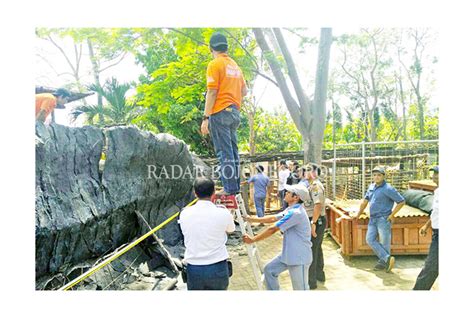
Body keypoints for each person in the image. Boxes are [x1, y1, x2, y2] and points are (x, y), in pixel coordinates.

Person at [200, 32, 247, 196]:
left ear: (211, 48)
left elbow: (212, 92)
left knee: (224, 152)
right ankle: (234, 187)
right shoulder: (235, 66)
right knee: (233, 152)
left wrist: (205, 118)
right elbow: (245, 91)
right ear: (226, 47)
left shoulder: (215, 64)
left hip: (220, 112)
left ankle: (230, 188)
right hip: (234, 112)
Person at [243, 183, 312, 290]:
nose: (286, 193)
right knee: (269, 270)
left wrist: (253, 240)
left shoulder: (295, 213)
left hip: (299, 258)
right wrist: (251, 219)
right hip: (288, 254)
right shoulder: (291, 209)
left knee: (300, 289)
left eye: (289, 192)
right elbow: (273, 218)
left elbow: (273, 228)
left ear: (296, 197)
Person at [178, 177, 235, 290]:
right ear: (214, 192)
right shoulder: (223, 213)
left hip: (194, 269)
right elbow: (231, 230)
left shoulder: (184, 213)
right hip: (217, 267)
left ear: (195, 193)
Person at [351, 167, 405, 272]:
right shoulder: (371, 187)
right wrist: (358, 214)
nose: (376, 177)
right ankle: (387, 258)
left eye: (379, 175)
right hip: (373, 218)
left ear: (384, 176)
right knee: (369, 239)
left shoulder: (388, 189)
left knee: (384, 242)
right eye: (374, 175)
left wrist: (392, 215)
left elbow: (401, 201)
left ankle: (383, 263)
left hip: (383, 219)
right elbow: (365, 201)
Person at [413, 166, 439, 290]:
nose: (434, 176)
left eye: (437, 174)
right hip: (436, 232)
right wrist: (427, 225)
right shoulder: (438, 191)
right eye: (434, 174)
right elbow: (436, 212)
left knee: (431, 267)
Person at [304, 164, 327, 289]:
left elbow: (318, 205)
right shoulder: (311, 185)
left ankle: (311, 282)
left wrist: (313, 223)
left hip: (316, 220)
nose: (305, 172)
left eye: (308, 170)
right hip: (317, 220)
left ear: (314, 173)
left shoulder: (315, 186)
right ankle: (319, 275)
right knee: (317, 248)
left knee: (312, 250)